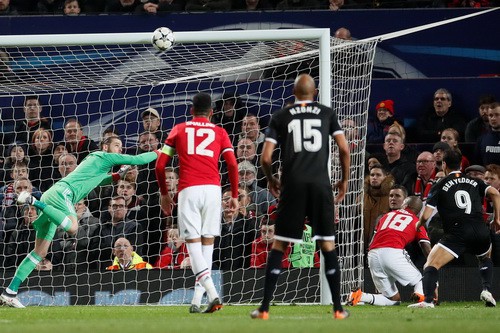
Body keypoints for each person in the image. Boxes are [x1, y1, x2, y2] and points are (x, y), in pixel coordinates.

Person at [0, 135, 159, 308]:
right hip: (63, 194)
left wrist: (116, 176)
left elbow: (95, 181)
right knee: (73, 228)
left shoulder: (96, 163)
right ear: (105, 147)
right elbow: (139, 158)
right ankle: (33, 201)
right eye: (117, 145)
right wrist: (163, 151)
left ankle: (10, 292)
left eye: (121, 146)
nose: (119, 149)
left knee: (39, 253)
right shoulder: (104, 156)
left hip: (53, 195)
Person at [251, 74, 350, 320]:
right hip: (320, 184)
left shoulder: (281, 116)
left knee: (280, 244)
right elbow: (344, 148)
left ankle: (264, 308)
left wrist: (272, 178)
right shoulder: (327, 113)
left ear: (294, 92)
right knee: (327, 244)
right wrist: (345, 180)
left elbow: (265, 157)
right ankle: (338, 308)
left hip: (293, 185)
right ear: (314, 92)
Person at [155, 92, 239, 314]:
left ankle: (212, 294)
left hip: (189, 190)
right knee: (207, 247)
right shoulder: (220, 132)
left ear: (191, 111)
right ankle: (196, 300)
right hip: (213, 190)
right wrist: (235, 194)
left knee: (193, 247)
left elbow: (160, 165)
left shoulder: (179, 129)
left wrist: (164, 193)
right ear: (212, 113)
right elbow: (232, 164)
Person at [408, 150, 500, 308]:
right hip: (480, 229)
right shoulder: (474, 181)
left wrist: (418, 224)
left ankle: (428, 301)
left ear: (443, 165)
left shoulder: (440, 184)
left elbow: (426, 215)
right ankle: (486, 290)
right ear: (461, 165)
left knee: (431, 264)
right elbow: (494, 192)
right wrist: (498, 218)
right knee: (485, 259)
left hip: (457, 232)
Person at [349, 196, 431, 306]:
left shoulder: (386, 216)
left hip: (373, 254)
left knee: (394, 300)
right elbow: (425, 244)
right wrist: (433, 265)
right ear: (418, 211)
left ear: (405, 205)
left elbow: (372, 240)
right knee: (421, 281)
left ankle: (360, 296)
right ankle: (421, 299)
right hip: (393, 252)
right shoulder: (416, 221)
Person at [362, 164, 394, 255]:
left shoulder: (391, 197)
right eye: (372, 175)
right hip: (361, 245)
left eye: (378, 175)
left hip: (383, 245)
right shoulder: (362, 197)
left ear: (385, 177)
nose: (374, 177)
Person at [476, 102, 500, 166]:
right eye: (490, 115)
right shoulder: (481, 139)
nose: (493, 118)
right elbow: (478, 163)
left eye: (497, 115)